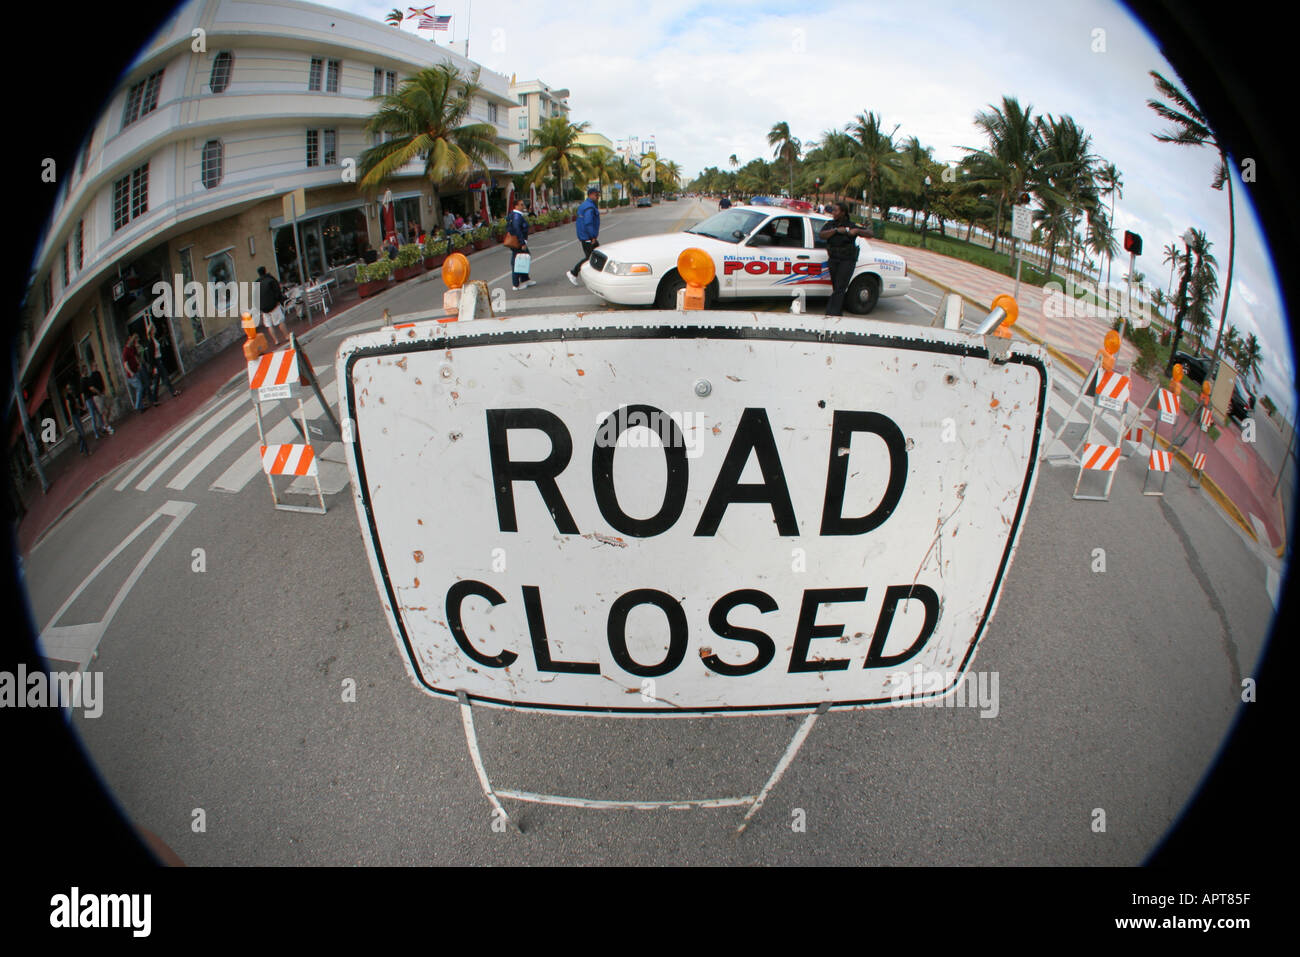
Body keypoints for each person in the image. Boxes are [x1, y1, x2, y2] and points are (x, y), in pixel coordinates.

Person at [818, 202, 872, 317]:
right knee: (837, 287)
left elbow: (870, 233)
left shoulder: (851, 225)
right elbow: (822, 235)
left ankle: (833, 313)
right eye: (833, 210)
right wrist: (836, 231)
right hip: (833, 259)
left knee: (840, 287)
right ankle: (836, 311)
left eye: (836, 210)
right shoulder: (831, 224)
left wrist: (857, 231)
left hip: (847, 260)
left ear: (843, 212)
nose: (833, 213)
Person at [567, 187, 602, 286]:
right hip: (588, 237)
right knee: (591, 257)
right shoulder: (589, 207)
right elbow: (588, 223)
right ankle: (573, 273)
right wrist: (593, 237)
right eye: (596, 195)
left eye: (598, 195)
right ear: (590, 195)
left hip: (586, 236)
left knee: (597, 255)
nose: (597, 197)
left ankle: (594, 275)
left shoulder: (586, 205)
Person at [143, 323, 180, 402]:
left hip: (159, 360)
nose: (155, 330)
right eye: (154, 329)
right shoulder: (150, 342)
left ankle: (155, 399)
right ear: (151, 330)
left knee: (159, 380)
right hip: (157, 362)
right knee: (164, 378)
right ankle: (171, 392)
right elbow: (150, 356)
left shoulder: (154, 339)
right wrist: (154, 367)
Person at [507, 197, 536, 290]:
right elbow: (517, 229)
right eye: (521, 204)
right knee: (517, 261)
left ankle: (525, 279)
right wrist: (522, 242)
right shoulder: (516, 216)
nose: (523, 206)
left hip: (519, 241)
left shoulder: (515, 215)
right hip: (518, 242)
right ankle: (516, 284)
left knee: (524, 258)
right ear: (516, 206)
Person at [80, 362, 113, 436]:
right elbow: (86, 391)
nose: (86, 371)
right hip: (89, 399)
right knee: (94, 416)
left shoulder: (88, 378)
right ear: (83, 371)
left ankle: (104, 427)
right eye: (85, 370)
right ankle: (97, 433)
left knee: (99, 413)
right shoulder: (83, 380)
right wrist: (84, 403)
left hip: (93, 397)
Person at [257, 266, 287, 345]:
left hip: (264, 308)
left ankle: (276, 341)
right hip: (273, 305)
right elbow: (277, 291)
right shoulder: (270, 279)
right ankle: (286, 336)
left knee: (269, 325)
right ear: (265, 271)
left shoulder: (256, 283)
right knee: (280, 321)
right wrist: (279, 301)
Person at [62, 383, 91, 457]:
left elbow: (76, 405)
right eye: (69, 389)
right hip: (74, 417)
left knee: (82, 434)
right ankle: (86, 451)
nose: (71, 390)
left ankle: (82, 450)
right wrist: (71, 420)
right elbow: (68, 408)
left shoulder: (72, 396)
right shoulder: (68, 398)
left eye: (71, 388)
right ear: (67, 390)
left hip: (77, 415)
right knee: (82, 434)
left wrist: (82, 408)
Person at [121, 334, 149, 411]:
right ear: (127, 341)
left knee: (140, 388)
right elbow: (125, 364)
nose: (132, 340)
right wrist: (130, 372)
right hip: (131, 375)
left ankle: (141, 407)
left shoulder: (132, 348)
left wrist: (139, 364)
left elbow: (136, 356)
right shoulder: (125, 351)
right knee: (140, 387)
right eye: (130, 339)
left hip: (136, 370)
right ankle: (137, 405)